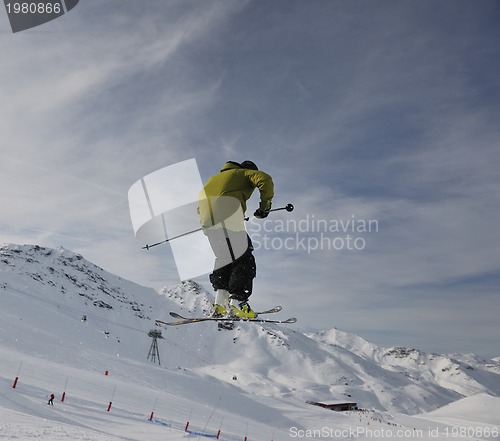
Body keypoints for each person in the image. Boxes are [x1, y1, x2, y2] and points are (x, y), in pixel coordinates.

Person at [199, 160, 274, 319]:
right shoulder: (243, 173)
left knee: (225, 258)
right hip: (228, 220)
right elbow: (265, 180)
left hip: (209, 223)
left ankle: (220, 303)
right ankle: (238, 302)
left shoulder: (214, 179)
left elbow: (200, 206)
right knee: (243, 258)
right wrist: (264, 207)